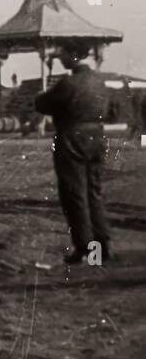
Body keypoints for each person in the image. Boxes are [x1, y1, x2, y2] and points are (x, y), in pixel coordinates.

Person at [34, 51, 115, 265]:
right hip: (97, 137)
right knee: (93, 191)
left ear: (73, 58)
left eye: (64, 57)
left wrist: (43, 93)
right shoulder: (101, 82)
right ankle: (101, 246)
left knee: (75, 194)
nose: (62, 59)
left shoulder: (68, 83)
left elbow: (41, 105)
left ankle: (85, 248)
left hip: (72, 137)